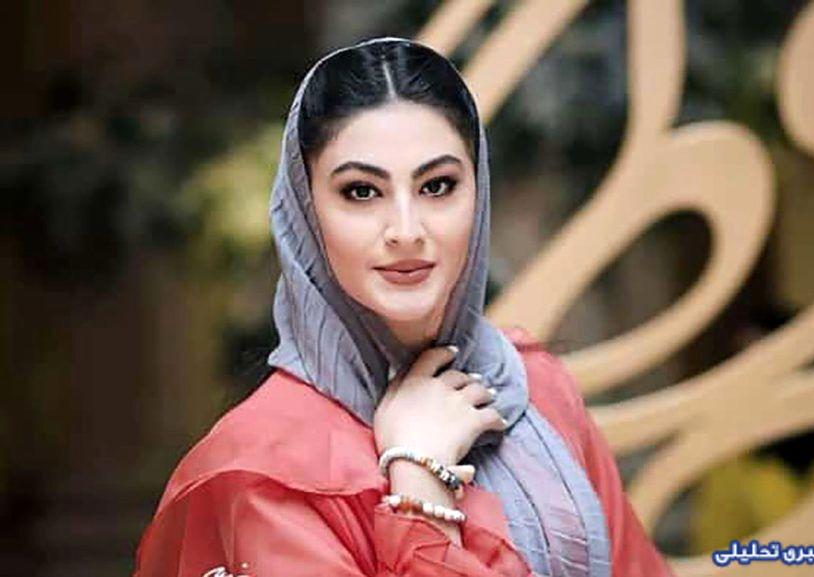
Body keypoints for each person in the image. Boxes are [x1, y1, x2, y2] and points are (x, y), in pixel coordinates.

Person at [132, 37, 675, 577]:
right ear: (305, 211)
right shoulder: (266, 469)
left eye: (437, 186)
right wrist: (420, 483)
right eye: (361, 192)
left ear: (478, 192)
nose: (406, 231)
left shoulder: (534, 388)